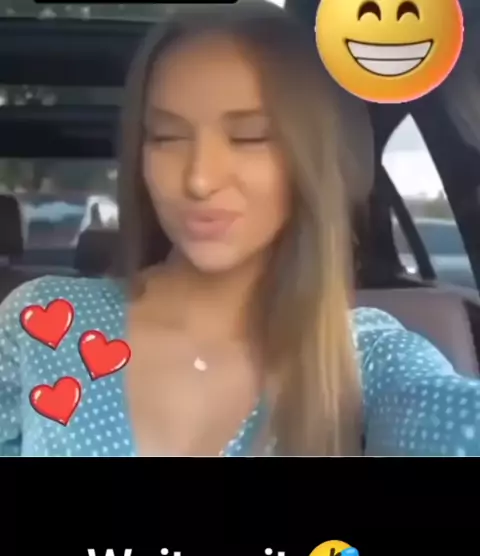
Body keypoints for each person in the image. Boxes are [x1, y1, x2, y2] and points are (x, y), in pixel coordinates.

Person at [1, 4, 480, 457]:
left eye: (249, 137)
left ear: (309, 157)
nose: (199, 179)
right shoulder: (41, 323)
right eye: (166, 137)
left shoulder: (362, 357)